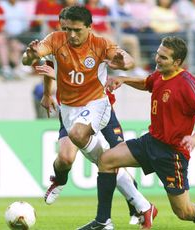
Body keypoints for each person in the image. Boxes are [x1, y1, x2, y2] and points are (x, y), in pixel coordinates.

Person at [78, 36, 195, 230]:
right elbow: (148, 83)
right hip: (150, 142)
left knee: (185, 212)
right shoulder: (160, 73)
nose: (157, 59)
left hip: (171, 154)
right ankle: (102, 222)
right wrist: (123, 79)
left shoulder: (187, 84)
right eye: (158, 54)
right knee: (107, 160)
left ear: (177, 62)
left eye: (163, 58)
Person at [22, 6, 153, 228]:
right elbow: (32, 60)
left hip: (98, 104)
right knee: (71, 159)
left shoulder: (100, 43)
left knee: (111, 152)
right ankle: (141, 206)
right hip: (69, 110)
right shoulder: (56, 39)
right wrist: (30, 55)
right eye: (67, 29)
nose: (71, 34)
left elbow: (128, 61)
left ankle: (131, 209)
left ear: (89, 28)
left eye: (76, 30)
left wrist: (124, 62)